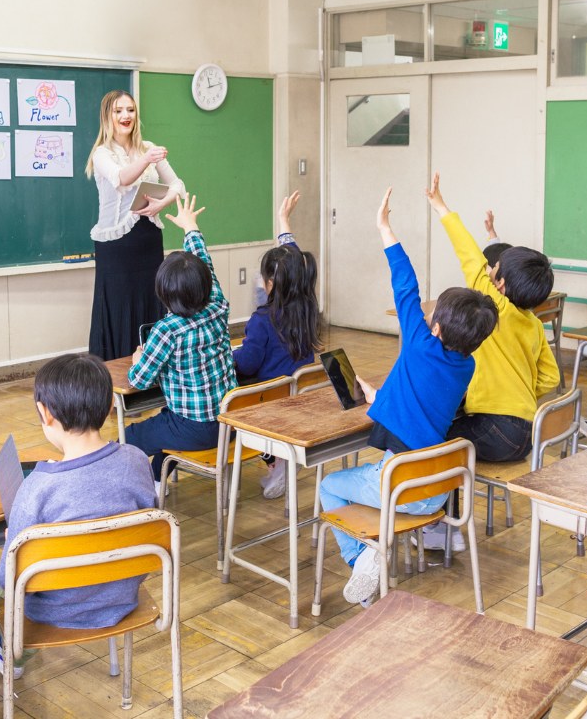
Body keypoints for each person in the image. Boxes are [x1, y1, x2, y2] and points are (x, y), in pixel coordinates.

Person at [318, 187, 497, 606]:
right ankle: (372, 558)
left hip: (397, 485)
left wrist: (385, 227)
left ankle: (364, 557)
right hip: (435, 487)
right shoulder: (465, 366)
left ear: (434, 328)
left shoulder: (418, 341)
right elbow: (424, 401)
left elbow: (405, 284)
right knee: (366, 475)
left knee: (330, 486)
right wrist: (379, 396)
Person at [0, 354, 156, 676]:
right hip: (122, 596)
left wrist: (13, 545)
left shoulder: (37, 489)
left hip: (53, 612)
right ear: (108, 406)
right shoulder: (137, 460)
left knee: (0, 587)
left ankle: (9, 654)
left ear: (45, 413)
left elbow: (8, 578)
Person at [424, 174, 558, 476]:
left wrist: (441, 207)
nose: (487, 270)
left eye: (493, 270)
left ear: (500, 286)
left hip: (494, 428)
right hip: (525, 432)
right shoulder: (534, 324)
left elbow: (469, 257)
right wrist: (516, 391)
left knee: (428, 439)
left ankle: (440, 519)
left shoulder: (496, 309)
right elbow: (550, 378)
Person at [125, 195, 233, 478]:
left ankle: (127, 497)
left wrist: (138, 358)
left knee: (129, 437)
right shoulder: (218, 304)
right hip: (230, 423)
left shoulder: (166, 331)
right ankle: (158, 481)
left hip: (193, 428)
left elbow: (139, 380)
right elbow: (204, 263)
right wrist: (190, 227)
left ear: (163, 293)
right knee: (161, 429)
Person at [86, 90, 185, 360]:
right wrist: (146, 159)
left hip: (148, 240)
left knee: (152, 302)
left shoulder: (147, 147)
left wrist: (161, 204)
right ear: (108, 116)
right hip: (116, 247)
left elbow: (178, 185)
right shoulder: (102, 153)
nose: (125, 116)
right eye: (119, 111)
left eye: (130, 110)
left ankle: (151, 369)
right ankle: (117, 376)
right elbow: (122, 179)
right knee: (118, 306)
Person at [234, 192, 321, 500]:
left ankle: (274, 462)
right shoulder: (308, 307)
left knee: (234, 403)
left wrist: (230, 355)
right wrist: (284, 223)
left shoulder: (263, 320)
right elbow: (294, 263)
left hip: (270, 402)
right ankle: (280, 460)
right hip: (299, 395)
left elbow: (247, 364)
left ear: (271, 284)